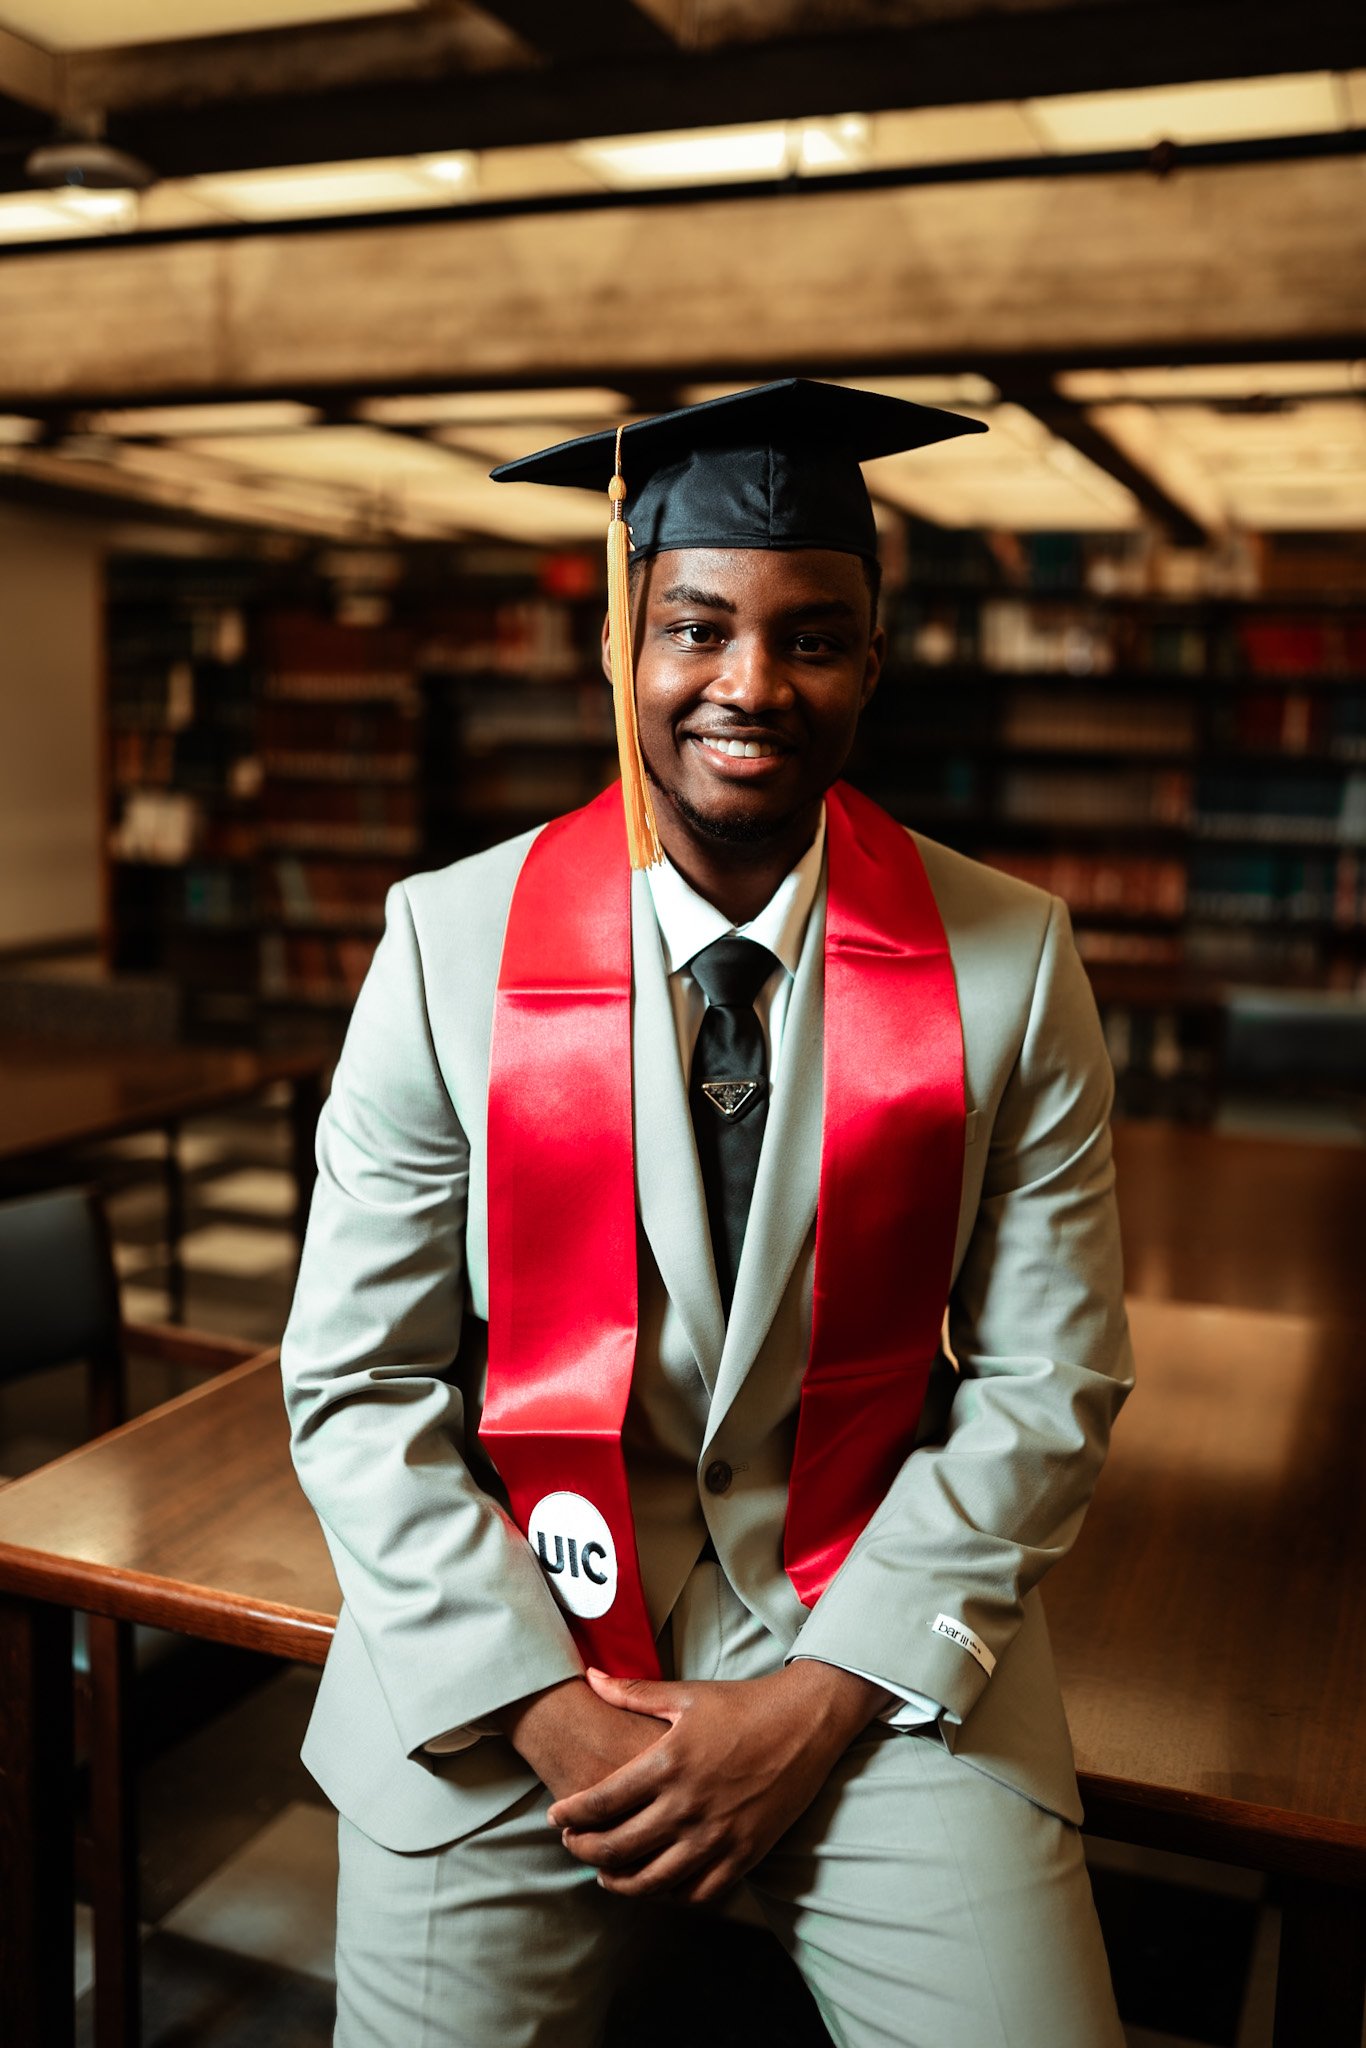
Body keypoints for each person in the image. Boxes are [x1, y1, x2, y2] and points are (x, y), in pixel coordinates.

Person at [281, 379, 1134, 2048]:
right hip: (508, 1663)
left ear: (870, 669)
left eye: (811, 638)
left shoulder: (1010, 959)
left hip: (871, 1657)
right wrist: (545, 1712)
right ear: (621, 650)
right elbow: (356, 1387)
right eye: (695, 628)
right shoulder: (446, 949)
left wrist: (815, 1705)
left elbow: (1051, 1381)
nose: (748, 685)